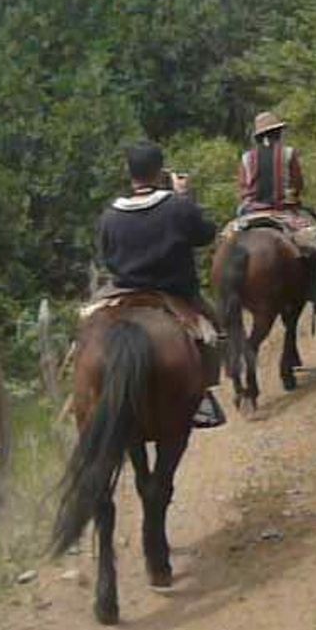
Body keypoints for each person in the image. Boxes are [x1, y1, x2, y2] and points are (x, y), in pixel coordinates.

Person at [95, 139, 225, 428]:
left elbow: (105, 256)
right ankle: (201, 395)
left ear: (129, 172)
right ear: (159, 171)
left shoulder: (110, 215)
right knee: (213, 331)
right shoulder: (176, 206)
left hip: (123, 289)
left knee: (89, 326)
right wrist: (185, 198)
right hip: (173, 292)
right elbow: (205, 234)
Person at [237, 111, 316, 307]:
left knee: (225, 240)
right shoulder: (288, 154)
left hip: (250, 212)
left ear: (258, 136)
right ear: (278, 133)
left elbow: (242, 187)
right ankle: (315, 286)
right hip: (283, 212)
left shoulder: (246, 158)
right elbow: (298, 184)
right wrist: (292, 196)